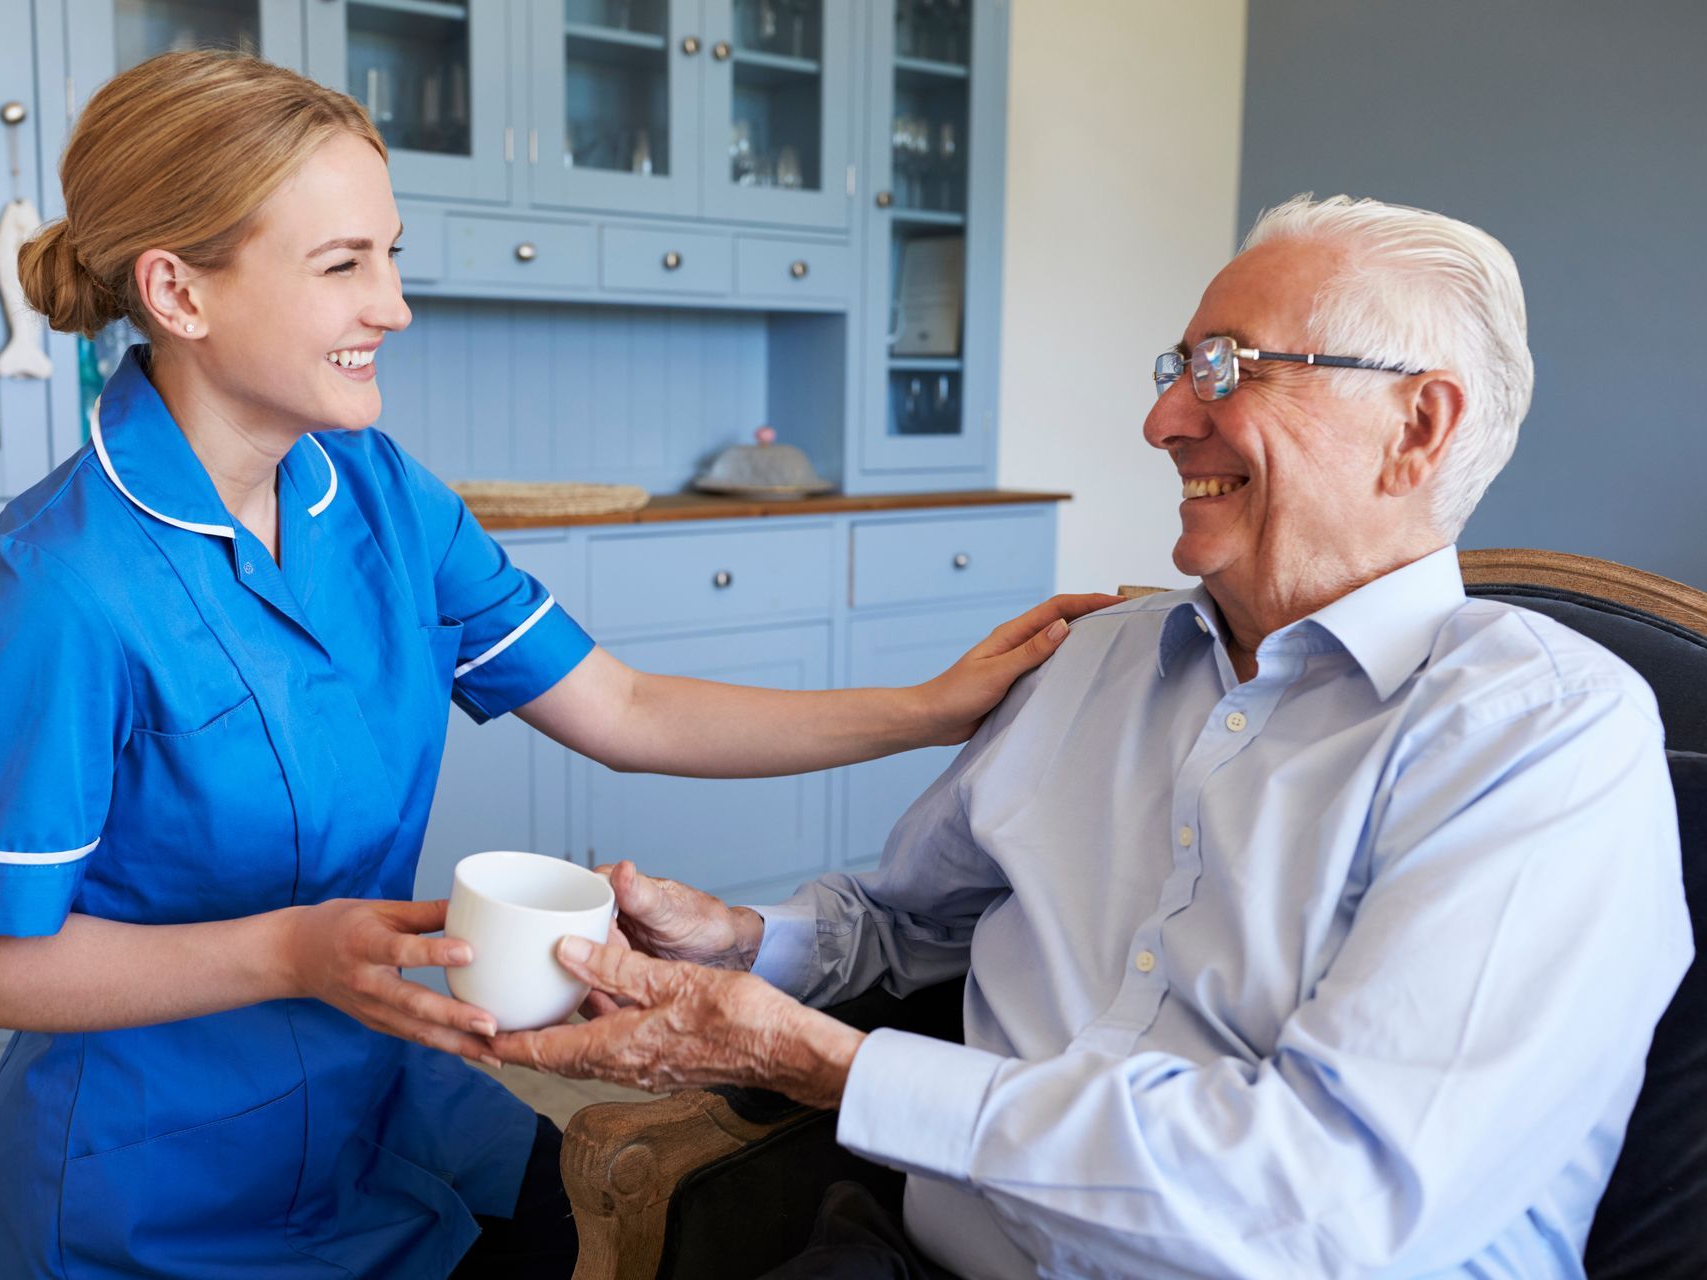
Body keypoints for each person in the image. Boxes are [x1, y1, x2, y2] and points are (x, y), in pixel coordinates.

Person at [0, 50, 1111, 1279]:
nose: (395, 306)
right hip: (160, 1179)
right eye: (344, 265)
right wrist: (289, 950)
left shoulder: (380, 499)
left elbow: (628, 704)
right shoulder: (52, 592)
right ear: (178, 291)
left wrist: (927, 709)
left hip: (395, 1101)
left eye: (391, 254)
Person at [493, 195, 1694, 1278]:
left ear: (1418, 426)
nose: (1163, 417)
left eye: (1227, 369)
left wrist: (833, 1065)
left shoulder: (1538, 734)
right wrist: (746, 941)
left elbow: (1332, 1210)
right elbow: (920, 920)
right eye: (1179, 364)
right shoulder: (1103, 656)